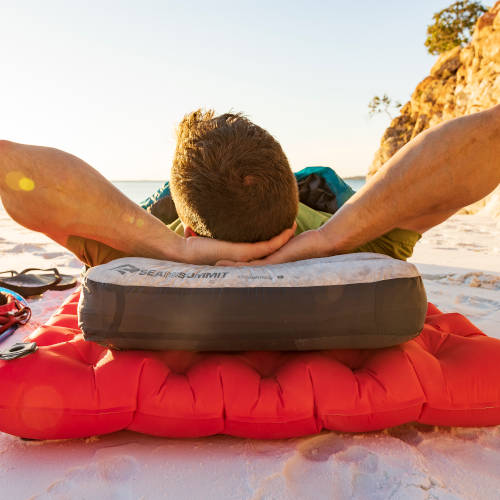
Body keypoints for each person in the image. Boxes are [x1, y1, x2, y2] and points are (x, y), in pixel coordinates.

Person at [0, 105, 499, 267]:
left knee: (156, 202)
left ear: (191, 227)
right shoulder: (368, 242)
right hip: (314, 219)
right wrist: (329, 238)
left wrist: (172, 247)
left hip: (186, 228)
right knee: (322, 179)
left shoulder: (131, 252)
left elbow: (12, 167)